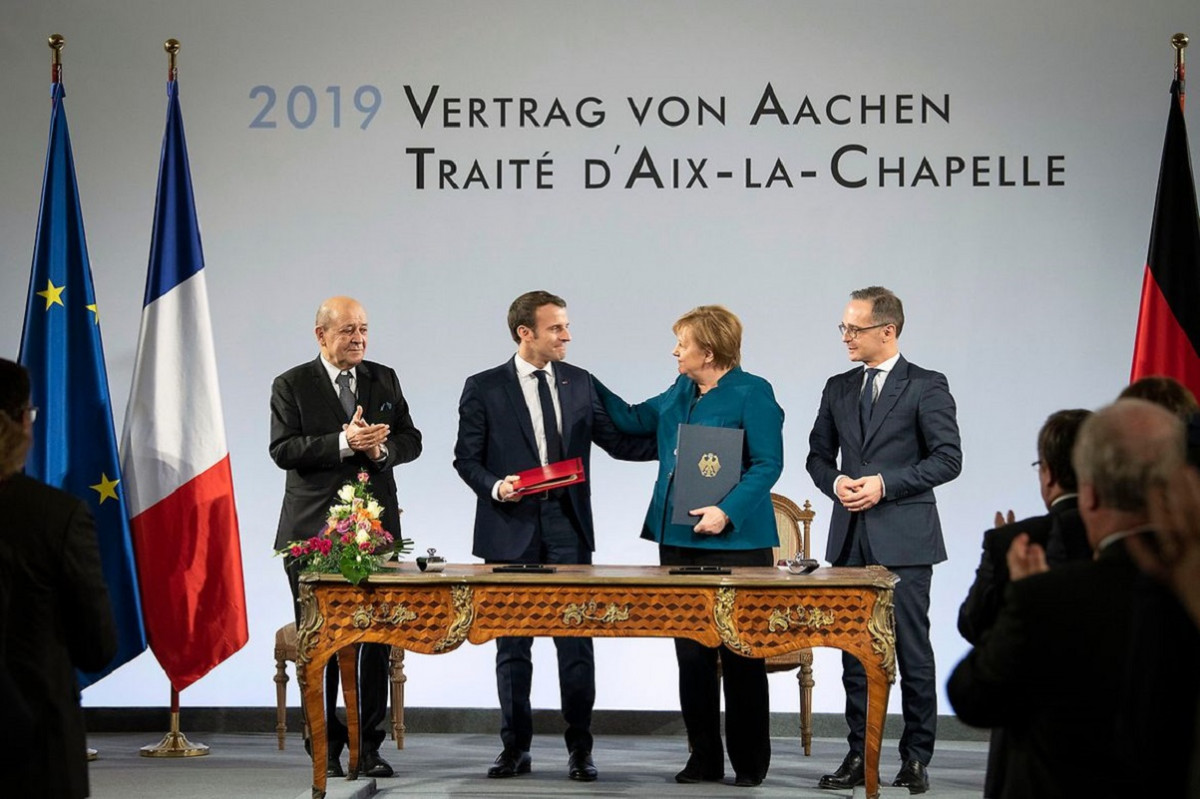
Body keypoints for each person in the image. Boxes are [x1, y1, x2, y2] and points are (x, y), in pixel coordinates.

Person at [453, 290, 655, 783]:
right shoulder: (483, 387)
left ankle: (580, 750)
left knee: (576, 644)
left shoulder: (580, 382)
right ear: (526, 333)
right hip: (509, 528)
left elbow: (620, 441)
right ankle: (515, 749)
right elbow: (466, 458)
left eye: (566, 326)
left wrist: (679, 444)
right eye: (556, 328)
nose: (567, 335)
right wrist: (497, 487)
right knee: (512, 647)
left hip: (568, 527)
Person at [946, 399, 1195, 798]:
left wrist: (1024, 599)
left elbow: (970, 695)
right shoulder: (1186, 591)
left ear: (1091, 494)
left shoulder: (1044, 593)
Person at [596, 305, 783, 788]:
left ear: (710, 349)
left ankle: (749, 763)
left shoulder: (753, 392)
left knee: (743, 654)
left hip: (738, 544)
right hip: (679, 541)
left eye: (682, 343)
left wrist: (727, 510)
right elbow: (631, 419)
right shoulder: (681, 389)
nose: (675, 350)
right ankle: (703, 758)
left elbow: (767, 464)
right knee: (692, 655)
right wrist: (581, 382)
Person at [806, 286, 961, 794]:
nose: (846, 337)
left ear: (887, 331)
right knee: (854, 653)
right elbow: (817, 456)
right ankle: (860, 753)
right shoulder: (838, 386)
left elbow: (947, 459)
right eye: (844, 328)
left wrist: (885, 484)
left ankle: (915, 757)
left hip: (906, 541)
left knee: (912, 648)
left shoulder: (926, 385)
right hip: (850, 539)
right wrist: (835, 482)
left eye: (855, 328)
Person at [270, 296, 423, 778]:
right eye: (347, 331)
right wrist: (342, 443)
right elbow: (283, 449)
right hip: (312, 536)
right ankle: (326, 746)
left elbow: (411, 438)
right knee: (323, 643)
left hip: (374, 532)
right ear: (321, 335)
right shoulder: (291, 384)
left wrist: (380, 450)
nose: (359, 339)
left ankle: (369, 745)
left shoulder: (384, 377)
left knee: (377, 638)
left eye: (363, 329)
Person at [955, 408, 1091, 797]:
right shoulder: (1135, 546)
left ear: (1047, 473)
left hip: (1026, 754)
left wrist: (998, 568)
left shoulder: (1013, 541)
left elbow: (972, 625)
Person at [0, 358, 117, 798]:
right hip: (34, 744)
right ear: (15, 424)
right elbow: (96, 646)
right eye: (29, 413)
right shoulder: (55, 516)